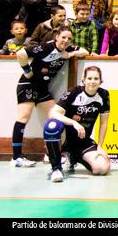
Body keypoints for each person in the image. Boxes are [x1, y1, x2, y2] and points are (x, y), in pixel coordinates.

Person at [12, 27, 89, 167]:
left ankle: (50, 154)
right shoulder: (46, 47)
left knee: (56, 117)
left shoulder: (68, 48)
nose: (66, 41)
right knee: (23, 118)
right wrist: (27, 71)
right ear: (57, 37)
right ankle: (16, 157)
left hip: (42, 89)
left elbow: (85, 51)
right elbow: (21, 53)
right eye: (63, 38)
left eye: (69, 39)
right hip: (28, 84)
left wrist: (70, 54)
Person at [44, 66, 111, 182]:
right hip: (65, 138)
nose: (92, 81)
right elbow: (53, 113)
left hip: (82, 140)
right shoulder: (73, 92)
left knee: (102, 168)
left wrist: (100, 146)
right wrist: (74, 123)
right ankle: (56, 169)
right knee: (52, 125)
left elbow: (104, 123)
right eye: (89, 78)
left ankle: (73, 157)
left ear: (101, 81)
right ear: (83, 79)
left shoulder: (104, 95)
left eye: (96, 78)